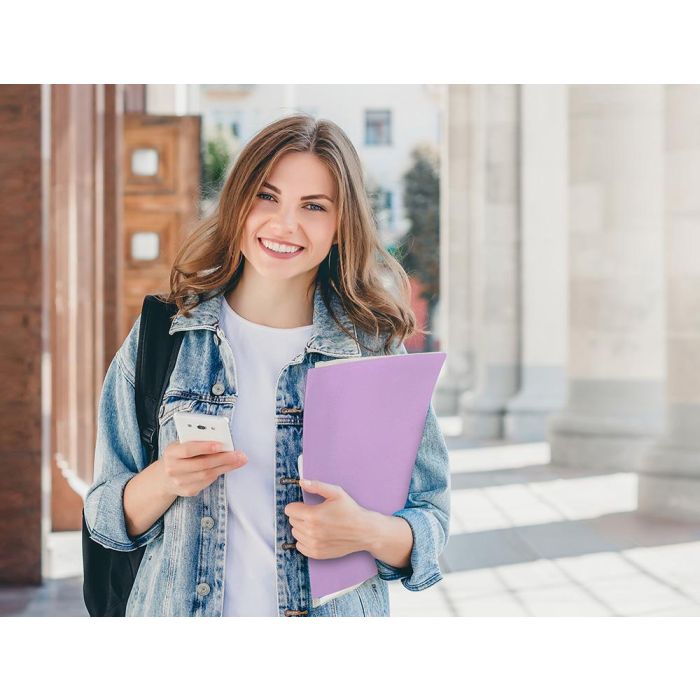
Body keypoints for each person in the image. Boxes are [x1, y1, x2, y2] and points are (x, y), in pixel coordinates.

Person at [83, 114, 451, 617]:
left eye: (314, 206)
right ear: (238, 203)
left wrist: (367, 531)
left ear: (342, 225)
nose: (285, 224)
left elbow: (430, 519)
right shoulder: (165, 336)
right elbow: (103, 513)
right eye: (267, 196)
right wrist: (164, 479)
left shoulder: (374, 351)